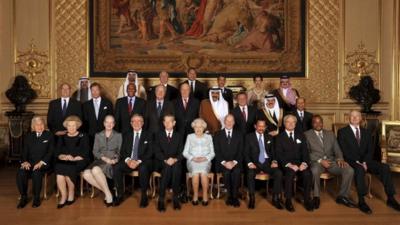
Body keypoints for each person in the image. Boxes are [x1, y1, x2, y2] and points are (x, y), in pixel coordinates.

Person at [337, 110, 400, 214]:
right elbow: (344, 150)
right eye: (352, 116)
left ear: (361, 119)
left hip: (366, 161)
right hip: (352, 161)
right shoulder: (342, 132)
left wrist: (365, 162)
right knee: (360, 169)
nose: (354, 118)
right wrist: (359, 162)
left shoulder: (366, 132)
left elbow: (370, 150)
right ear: (348, 118)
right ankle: (362, 201)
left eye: (357, 116)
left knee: (385, 167)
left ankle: (391, 198)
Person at [304, 115, 355, 210]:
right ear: (312, 124)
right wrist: (320, 160)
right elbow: (306, 153)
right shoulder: (306, 135)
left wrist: (340, 158)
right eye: (315, 122)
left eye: (320, 122)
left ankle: (342, 196)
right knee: (314, 170)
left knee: (349, 170)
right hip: (317, 162)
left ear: (323, 123)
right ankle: (316, 197)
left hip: (332, 161)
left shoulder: (330, 134)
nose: (318, 124)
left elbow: (337, 149)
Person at [113, 114, 153, 208]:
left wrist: (138, 161)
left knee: (143, 168)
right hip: (129, 161)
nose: (136, 123)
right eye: (134, 121)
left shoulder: (149, 135)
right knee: (117, 167)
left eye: (139, 121)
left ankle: (144, 196)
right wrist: (128, 160)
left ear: (142, 123)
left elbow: (150, 152)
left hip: (142, 161)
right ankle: (120, 195)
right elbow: (123, 151)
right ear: (131, 123)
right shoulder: (127, 135)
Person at [275, 114, 313, 212]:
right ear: (284, 124)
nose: (291, 124)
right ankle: (288, 200)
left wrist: (304, 163)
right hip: (287, 164)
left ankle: (307, 199)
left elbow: (305, 151)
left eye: (293, 122)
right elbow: (279, 154)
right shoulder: (279, 137)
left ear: (295, 124)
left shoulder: (301, 135)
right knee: (290, 173)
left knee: (307, 173)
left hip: (300, 163)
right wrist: (289, 165)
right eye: (289, 122)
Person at [82, 115, 122, 207]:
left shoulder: (118, 135)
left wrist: (115, 160)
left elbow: (120, 151)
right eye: (107, 122)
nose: (109, 124)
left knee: (95, 170)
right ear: (104, 123)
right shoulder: (98, 135)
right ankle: (108, 193)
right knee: (86, 174)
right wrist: (104, 158)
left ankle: (108, 197)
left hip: (112, 161)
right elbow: (95, 151)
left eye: (111, 122)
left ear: (114, 124)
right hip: (100, 160)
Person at [245, 119, 283, 210]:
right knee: (250, 174)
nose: (261, 128)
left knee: (278, 173)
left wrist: (274, 161)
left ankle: (275, 198)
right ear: (255, 126)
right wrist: (249, 163)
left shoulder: (269, 137)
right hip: (255, 163)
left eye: (263, 126)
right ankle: (252, 198)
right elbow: (245, 153)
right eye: (259, 126)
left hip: (267, 163)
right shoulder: (248, 137)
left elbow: (273, 152)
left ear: (265, 127)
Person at [16, 116, 54, 209]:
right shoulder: (29, 136)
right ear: (33, 126)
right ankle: (23, 197)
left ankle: (36, 198)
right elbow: (24, 152)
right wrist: (24, 162)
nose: (39, 126)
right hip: (30, 163)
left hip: (44, 163)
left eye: (41, 124)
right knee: (21, 172)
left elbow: (51, 152)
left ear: (44, 125)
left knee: (36, 172)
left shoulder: (49, 135)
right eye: (37, 125)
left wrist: (41, 162)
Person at [55, 116, 90, 208]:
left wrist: (74, 159)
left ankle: (71, 194)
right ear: (66, 127)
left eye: (73, 125)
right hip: (64, 160)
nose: (71, 128)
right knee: (59, 169)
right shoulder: (62, 137)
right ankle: (63, 196)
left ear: (77, 126)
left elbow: (86, 153)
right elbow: (57, 153)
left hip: (79, 160)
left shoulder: (83, 136)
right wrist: (64, 156)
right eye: (69, 126)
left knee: (69, 168)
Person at [154, 115, 184, 212]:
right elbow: (157, 151)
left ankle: (175, 198)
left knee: (175, 168)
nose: (167, 124)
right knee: (167, 167)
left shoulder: (178, 135)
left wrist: (174, 159)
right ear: (163, 123)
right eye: (165, 122)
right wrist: (166, 160)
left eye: (169, 121)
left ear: (174, 123)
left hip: (175, 162)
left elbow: (182, 152)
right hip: (162, 162)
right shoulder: (158, 135)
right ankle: (161, 199)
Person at [183, 118, 215, 206]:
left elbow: (212, 153)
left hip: (205, 161)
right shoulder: (190, 137)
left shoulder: (209, 137)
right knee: (196, 173)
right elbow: (185, 152)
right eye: (196, 127)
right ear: (193, 128)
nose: (198, 129)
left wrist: (205, 158)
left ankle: (205, 195)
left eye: (200, 127)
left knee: (204, 173)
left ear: (204, 128)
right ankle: (195, 195)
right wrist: (193, 158)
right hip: (192, 161)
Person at [213, 114, 243, 208]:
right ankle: (229, 196)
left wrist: (233, 162)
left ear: (234, 123)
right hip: (222, 163)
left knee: (236, 172)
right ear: (224, 122)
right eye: (227, 121)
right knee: (226, 172)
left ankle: (235, 197)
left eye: (231, 121)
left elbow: (241, 151)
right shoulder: (217, 134)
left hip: (236, 162)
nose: (229, 123)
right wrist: (225, 163)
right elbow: (216, 151)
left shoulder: (239, 134)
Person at [82, 82, 114, 150]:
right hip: (90, 135)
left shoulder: (107, 103)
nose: (95, 92)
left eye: (96, 90)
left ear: (100, 91)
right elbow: (85, 121)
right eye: (93, 90)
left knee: (105, 153)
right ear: (90, 91)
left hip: (105, 134)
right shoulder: (86, 105)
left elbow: (111, 119)